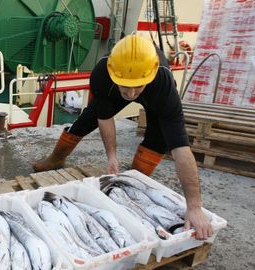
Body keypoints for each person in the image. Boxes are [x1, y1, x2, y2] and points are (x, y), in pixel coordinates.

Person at [33, 35, 213, 240]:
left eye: (138, 86)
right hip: (113, 88)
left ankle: (130, 182)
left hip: (153, 88)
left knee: (159, 139)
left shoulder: (163, 83)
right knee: (85, 120)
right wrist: (112, 156)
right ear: (112, 72)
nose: (132, 93)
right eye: (126, 86)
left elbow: (181, 148)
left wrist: (195, 206)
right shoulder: (102, 73)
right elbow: (105, 118)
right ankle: (56, 159)